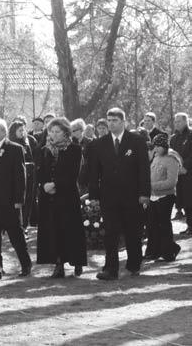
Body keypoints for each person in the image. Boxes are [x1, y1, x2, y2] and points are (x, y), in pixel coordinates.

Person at [89, 108, 150, 280]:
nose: (111, 123)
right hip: (109, 197)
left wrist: (144, 193)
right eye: (109, 120)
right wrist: (94, 196)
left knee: (133, 232)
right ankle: (110, 269)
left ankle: (133, 265)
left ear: (124, 122)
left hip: (132, 196)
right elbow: (95, 172)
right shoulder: (99, 144)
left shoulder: (136, 141)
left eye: (115, 120)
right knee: (111, 233)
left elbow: (144, 169)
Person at [36, 117, 87, 277]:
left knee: (70, 230)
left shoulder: (74, 149)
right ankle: (58, 264)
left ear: (65, 133)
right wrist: (44, 184)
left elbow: (72, 174)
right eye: (51, 131)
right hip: (49, 198)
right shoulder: (45, 150)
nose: (53, 135)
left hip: (67, 196)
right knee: (53, 230)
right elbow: (40, 171)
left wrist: (55, 184)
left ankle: (77, 261)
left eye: (57, 132)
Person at [0, 118, 32, 279]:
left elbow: (20, 175)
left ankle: (25, 264)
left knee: (15, 235)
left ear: (4, 132)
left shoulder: (14, 149)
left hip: (10, 200)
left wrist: (19, 199)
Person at [145, 134, 182, 261]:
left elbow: (171, 182)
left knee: (164, 225)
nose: (155, 149)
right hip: (153, 197)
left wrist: (152, 186)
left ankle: (168, 252)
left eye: (158, 146)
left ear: (165, 146)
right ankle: (156, 251)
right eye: (154, 146)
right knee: (153, 225)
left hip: (166, 196)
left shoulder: (171, 159)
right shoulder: (156, 157)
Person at [9, 120, 37, 229]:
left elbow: (32, 158)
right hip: (15, 179)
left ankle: (24, 225)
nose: (22, 132)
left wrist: (30, 164)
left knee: (27, 201)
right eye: (20, 130)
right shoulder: (10, 144)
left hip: (28, 177)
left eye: (23, 130)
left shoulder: (27, 143)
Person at [170, 113, 192, 235]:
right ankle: (190, 226)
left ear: (185, 121)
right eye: (175, 121)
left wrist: (186, 167)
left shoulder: (191, 135)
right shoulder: (174, 138)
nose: (176, 123)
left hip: (189, 173)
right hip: (178, 174)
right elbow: (171, 154)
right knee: (184, 201)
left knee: (190, 200)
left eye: (179, 121)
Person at [71, 118, 93, 194]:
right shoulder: (69, 144)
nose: (71, 133)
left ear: (81, 130)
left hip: (86, 180)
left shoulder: (90, 142)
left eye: (73, 131)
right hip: (74, 179)